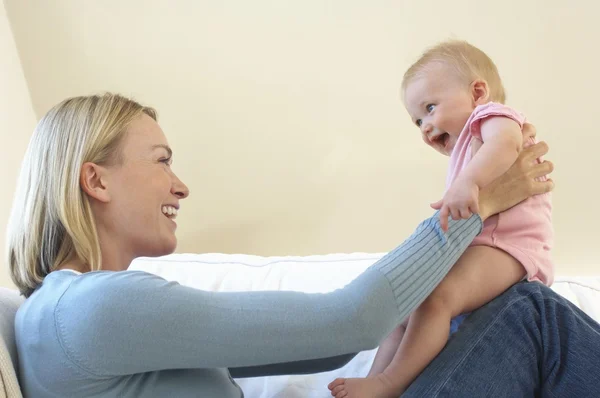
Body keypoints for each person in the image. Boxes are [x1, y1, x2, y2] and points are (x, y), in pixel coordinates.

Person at [6, 93, 595, 398]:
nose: (180, 185)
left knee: (489, 317)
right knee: (531, 317)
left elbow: (325, 346)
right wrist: (479, 206)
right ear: (96, 180)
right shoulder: (93, 309)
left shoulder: (58, 316)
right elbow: (349, 322)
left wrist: (421, 302)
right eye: (161, 162)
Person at [329, 40, 554, 397]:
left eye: (430, 108)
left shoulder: (494, 116)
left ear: (478, 92)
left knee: (438, 299)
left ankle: (389, 383)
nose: (424, 126)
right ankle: (375, 378)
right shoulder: (469, 143)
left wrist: (468, 181)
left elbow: (507, 145)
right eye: (417, 120)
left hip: (512, 248)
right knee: (405, 308)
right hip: (487, 245)